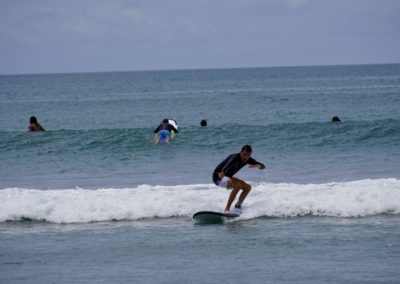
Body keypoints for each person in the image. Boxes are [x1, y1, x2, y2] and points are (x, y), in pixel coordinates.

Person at [213, 145, 265, 212]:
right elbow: (227, 165)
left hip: (228, 177)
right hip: (218, 177)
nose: (245, 157)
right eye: (244, 154)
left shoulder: (248, 159)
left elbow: (263, 166)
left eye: (248, 155)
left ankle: (238, 206)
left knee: (248, 188)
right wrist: (222, 172)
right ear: (241, 152)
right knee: (237, 185)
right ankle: (227, 209)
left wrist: (259, 166)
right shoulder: (234, 157)